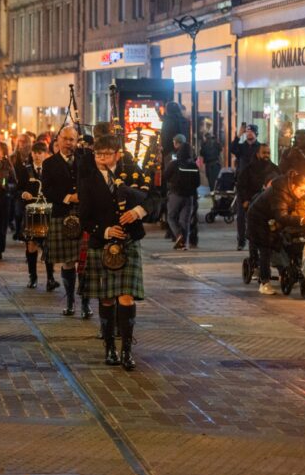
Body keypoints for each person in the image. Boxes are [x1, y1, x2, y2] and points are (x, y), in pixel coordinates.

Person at [79, 134, 158, 371]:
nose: (101, 159)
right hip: (101, 243)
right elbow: (85, 217)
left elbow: (154, 198)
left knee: (126, 296)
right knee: (105, 298)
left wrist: (138, 212)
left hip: (129, 240)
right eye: (97, 154)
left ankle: (126, 350)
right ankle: (109, 347)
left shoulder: (132, 171)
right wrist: (105, 230)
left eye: (105, 154)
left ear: (116, 154)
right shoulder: (88, 179)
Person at [41, 126, 89, 317]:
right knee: (68, 262)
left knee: (85, 262)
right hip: (61, 214)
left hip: (84, 215)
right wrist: (69, 197)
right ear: (58, 140)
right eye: (66, 139)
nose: (69, 143)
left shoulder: (85, 161)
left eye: (72, 139)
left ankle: (85, 303)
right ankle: (70, 301)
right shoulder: (49, 163)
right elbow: (47, 190)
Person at [246, 171, 305, 295]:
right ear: (293, 186)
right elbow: (281, 216)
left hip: (272, 220)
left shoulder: (291, 191)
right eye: (302, 190)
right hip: (258, 219)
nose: (304, 193)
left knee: (279, 244)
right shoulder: (280, 193)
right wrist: (300, 220)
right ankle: (264, 283)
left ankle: (284, 273)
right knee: (265, 248)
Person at [18, 141, 51, 289]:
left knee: (48, 246)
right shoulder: (26, 170)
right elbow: (17, 189)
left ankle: (50, 278)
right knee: (31, 245)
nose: (37, 156)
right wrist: (23, 193)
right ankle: (33, 277)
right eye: (35, 153)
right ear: (31, 154)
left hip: (47, 212)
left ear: (45, 154)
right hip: (31, 213)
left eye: (40, 153)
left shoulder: (51, 169)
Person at [163, 143, 200, 250]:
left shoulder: (174, 164)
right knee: (185, 220)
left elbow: (165, 176)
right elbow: (197, 183)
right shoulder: (194, 166)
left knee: (171, 217)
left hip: (175, 195)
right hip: (189, 197)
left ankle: (179, 235)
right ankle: (184, 243)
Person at [230, 124, 261, 250]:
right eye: (247, 131)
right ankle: (241, 241)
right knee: (241, 215)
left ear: (256, 134)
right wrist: (238, 135)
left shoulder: (259, 147)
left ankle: (255, 240)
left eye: (251, 131)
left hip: (256, 184)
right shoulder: (241, 147)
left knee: (256, 214)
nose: (249, 134)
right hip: (242, 185)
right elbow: (232, 148)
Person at [237, 145, 279, 214]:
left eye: (268, 153)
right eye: (264, 153)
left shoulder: (275, 169)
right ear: (257, 154)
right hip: (253, 205)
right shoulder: (248, 170)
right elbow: (241, 186)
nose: (266, 155)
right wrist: (245, 201)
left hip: (270, 206)